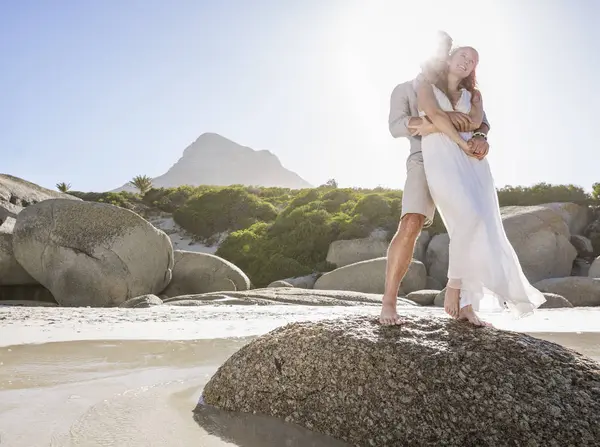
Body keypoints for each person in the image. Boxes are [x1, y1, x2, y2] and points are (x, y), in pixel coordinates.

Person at [411, 45, 546, 325]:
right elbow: (433, 113)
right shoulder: (425, 83)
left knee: (479, 225)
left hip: (474, 163)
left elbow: (473, 121)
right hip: (443, 156)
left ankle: (468, 305)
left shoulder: (474, 95)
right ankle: (454, 286)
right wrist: (453, 131)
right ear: (449, 58)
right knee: (467, 217)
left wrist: (447, 124)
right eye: (463, 55)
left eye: (473, 61)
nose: (467, 62)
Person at [380, 32, 491, 326]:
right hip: (422, 159)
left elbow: (482, 123)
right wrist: (429, 125)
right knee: (411, 222)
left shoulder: (458, 87)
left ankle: (466, 302)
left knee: (471, 221)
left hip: (460, 160)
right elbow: (395, 126)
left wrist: (480, 137)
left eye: (445, 51)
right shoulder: (406, 88)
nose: (440, 56)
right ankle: (389, 300)